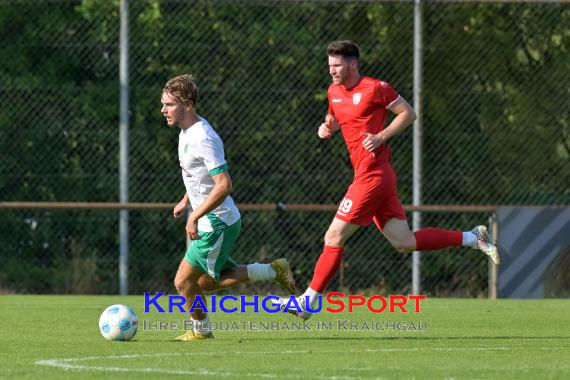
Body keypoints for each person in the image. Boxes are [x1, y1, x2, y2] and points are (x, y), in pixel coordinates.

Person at [280, 40, 500, 320]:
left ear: (353, 64)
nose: (332, 71)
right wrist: (327, 126)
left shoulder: (375, 88)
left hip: (374, 175)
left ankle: (308, 302)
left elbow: (409, 113)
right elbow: (335, 115)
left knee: (333, 236)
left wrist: (381, 136)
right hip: (370, 176)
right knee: (404, 242)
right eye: (329, 65)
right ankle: (474, 237)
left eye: (337, 65)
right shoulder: (334, 91)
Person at [161, 74, 297, 341]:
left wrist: (195, 215)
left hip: (216, 223)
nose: (163, 110)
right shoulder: (187, 131)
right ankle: (273, 270)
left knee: (183, 282)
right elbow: (198, 176)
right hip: (217, 221)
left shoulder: (203, 137)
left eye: (168, 104)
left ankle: (201, 331)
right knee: (204, 283)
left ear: (187, 104)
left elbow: (224, 184)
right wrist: (186, 200)